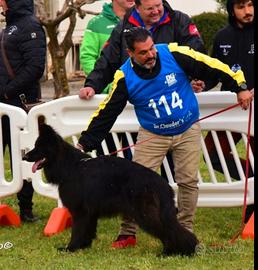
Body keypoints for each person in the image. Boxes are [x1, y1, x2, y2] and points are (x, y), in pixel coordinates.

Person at [77, 27, 253, 248]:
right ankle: (127, 233)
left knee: (188, 181)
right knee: (135, 184)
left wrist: (240, 86)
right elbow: (107, 112)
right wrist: (85, 142)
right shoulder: (124, 76)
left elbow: (212, 65)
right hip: (153, 134)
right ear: (130, 53)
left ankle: (185, 231)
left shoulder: (172, 53)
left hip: (187, 128)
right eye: (143, 52)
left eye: (151, 48)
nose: (151, 55)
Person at [79, 0, 206, 99]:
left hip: (174, 95)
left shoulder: (179, 21)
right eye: (150, 8)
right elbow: (107, 60)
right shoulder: (123, 27)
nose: (156, 11)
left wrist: (200, 79)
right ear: (137, 7)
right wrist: (92, 85)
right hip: (136, 98)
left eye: (158, 5)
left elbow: (197, 54)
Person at [204, 0, 254, 222]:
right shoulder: (222, 36)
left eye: (251, 5)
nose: (248, 11)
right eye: (242, 6)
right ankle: (252, 180)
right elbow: (214, 74)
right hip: (231, 110)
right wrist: (200, 84)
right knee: (211, 154)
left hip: (253, 110)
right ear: (231, 9)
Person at [0, 0, 46, 222]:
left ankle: (26, 209)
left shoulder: (30, 25)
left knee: (23, 155)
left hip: (19, 104)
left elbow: (35, 67)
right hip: (5, 106)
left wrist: (8, 92)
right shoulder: (8, 27)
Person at [80, 0, 135, 94]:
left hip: (136, 92)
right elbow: (87, 58)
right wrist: (108, 86)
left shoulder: (143, 19)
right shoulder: (96, 24)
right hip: (106, 96)